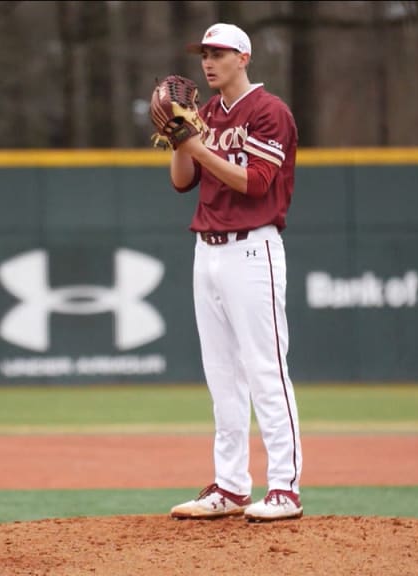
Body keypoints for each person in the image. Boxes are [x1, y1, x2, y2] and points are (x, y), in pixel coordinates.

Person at [165, 22, 304, 523]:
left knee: (266, 369)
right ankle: (230, 485)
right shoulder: (203, 114)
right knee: (222, 376)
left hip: (253, 248)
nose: (208, 62)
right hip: (207, 249)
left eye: (219, 53)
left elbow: (255, 182)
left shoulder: (270, 112)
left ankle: (285, 487)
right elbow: (183, 181)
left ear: (243, 57)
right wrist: (181, 139)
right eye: (204, 53)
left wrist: (198, 145)